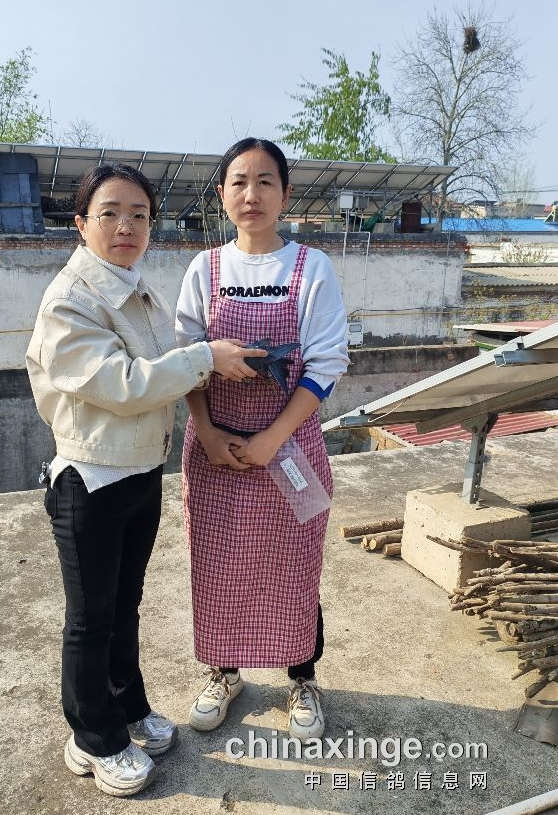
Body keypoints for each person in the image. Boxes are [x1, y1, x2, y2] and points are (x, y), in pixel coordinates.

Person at [25, 164, 266, 797]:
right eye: (109, 213)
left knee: (123, 607)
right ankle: (94, 738)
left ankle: (128, 707)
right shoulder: (71, 300)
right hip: (90, 478)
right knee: (89, 620)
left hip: (138, 471)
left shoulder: (137, 289)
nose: (125, 226)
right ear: (81, 224)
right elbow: (124, 384)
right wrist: (205, 357)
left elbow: (162, 369)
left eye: (139, 214)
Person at [176, 138, 349, 742]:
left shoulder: (311, 267)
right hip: (216, 454)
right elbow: (185, 361)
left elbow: (326, 363)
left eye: (265, 181)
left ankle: (302, 677)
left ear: (285, 194)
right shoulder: (205, 269)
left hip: (290, 449)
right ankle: (225, 673)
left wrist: (274, 437)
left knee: (294, 566)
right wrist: (206, 430)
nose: (252, 195)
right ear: (222, 194)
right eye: (239, 182)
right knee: (219, 565)